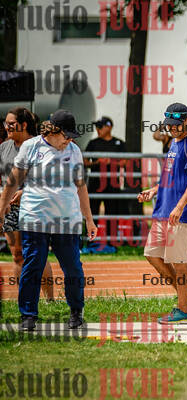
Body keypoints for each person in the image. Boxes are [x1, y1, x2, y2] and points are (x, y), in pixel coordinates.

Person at [0, 109, 97, 331]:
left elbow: (81, 187)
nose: (70, 140)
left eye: (72, 136)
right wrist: (1, 209)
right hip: (35, 218)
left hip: (67, 220)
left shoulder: (74, 150)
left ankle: (76, 312)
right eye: (66, 135)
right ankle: (28, 315)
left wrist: (89, 220)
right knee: (33, 265)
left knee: (73, 268)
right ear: (53, 131)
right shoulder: (31, 147)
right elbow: (13, 182)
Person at [137, 103, 187, 324]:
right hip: (163, 211)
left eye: (176, 125)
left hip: (183, 213)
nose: (172, 129)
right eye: (169, 125)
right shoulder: (174, 143)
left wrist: (180, 206)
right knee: (152, 254)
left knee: (179, 262)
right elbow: (171, 177)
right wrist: (154, 190)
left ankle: (183, 309)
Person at [0, 107, 54, 301]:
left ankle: (49, 299)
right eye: (6, 123)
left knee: (37, 254)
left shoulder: (40, 146)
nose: (7, 127)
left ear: (23, 125)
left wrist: (26, 191)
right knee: (17, 255)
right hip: (11, 208)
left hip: (36, 205)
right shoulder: (4, 148)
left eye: (11, 124)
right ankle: (24, 299)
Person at [84, 116, 127, 216]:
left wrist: (111, 162)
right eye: (96, 127)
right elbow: (85, 161)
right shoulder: (93, 143)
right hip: (95, 182)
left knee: (112, 212)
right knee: (93, 212)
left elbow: (124, 162)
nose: (97, 129)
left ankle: (110, 228)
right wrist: (97, 162)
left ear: (109, 127)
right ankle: (92, 227)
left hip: (112, 183)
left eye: (100, 127)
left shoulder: (119, 143)